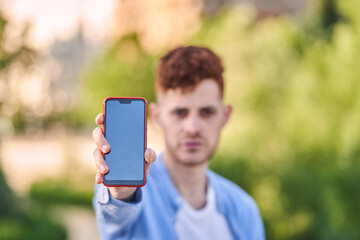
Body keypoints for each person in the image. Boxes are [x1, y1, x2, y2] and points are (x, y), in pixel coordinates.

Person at [92, 46, 265, 240]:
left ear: (225, 116)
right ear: (157, 117)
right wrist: (120, 194)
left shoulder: (244, 210)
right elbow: (115, 216)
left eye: (207, 112)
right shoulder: (136, 191)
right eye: (180, 112)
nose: (192, 128)